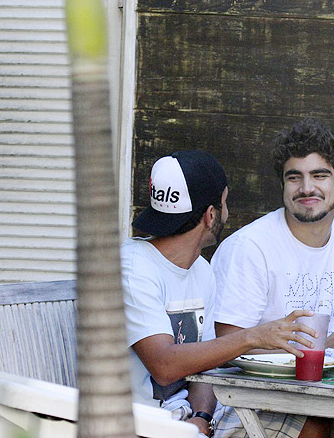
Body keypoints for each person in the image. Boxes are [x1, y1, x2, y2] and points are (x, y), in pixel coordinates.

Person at [121, 150, 318, 437]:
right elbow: (163, 365)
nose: (226, 211)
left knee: (310, 423)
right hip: (137, 423)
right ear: (211, 215)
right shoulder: (133, 267)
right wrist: (252, 336)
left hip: (184, 415)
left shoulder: (200, 269)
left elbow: (207, 365)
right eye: (224, 202)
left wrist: (202, 417)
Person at [210, 119, 334, 437]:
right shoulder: (250, 247)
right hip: (253, 404)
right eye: (295, 177)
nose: (306, 188)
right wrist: (320, 348)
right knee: (318, 426)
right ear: (283, 184)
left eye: (319, 175)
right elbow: (225, 350)